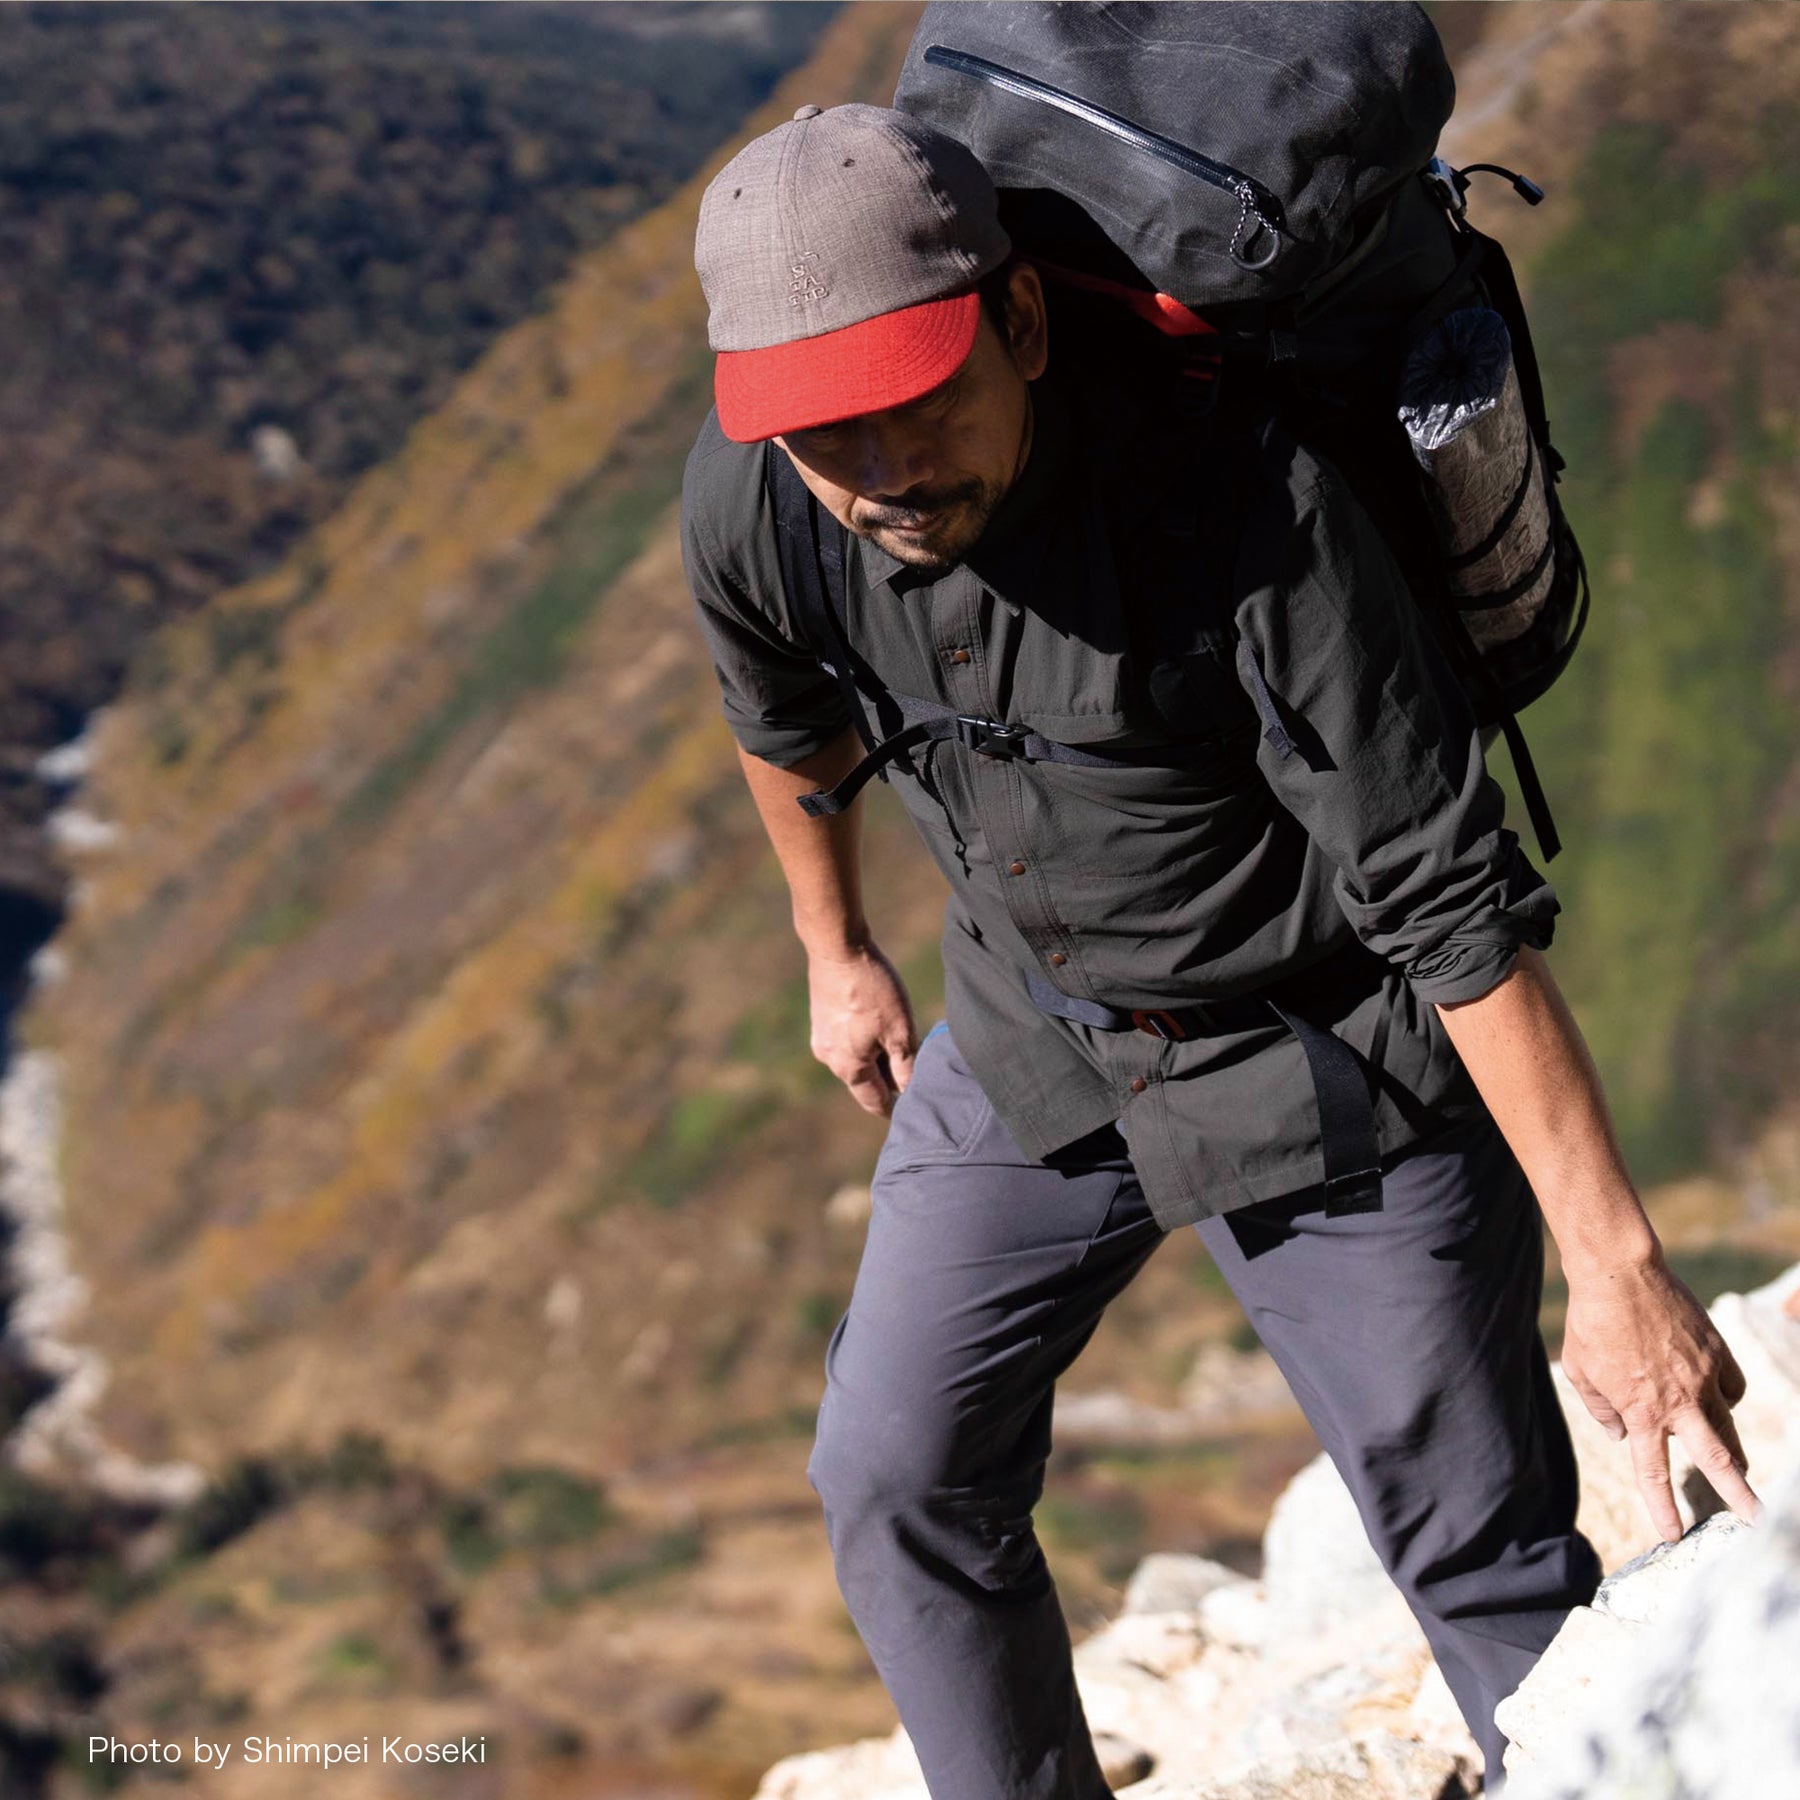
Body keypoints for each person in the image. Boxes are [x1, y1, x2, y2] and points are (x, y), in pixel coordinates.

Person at [680, 102, 1758, 1799]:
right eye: (830, 438)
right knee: (899, 1477)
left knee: (1475, 1553)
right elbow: (781, 712)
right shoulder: (764, 495)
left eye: (919, 405)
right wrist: (837, 949)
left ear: (1020, 323)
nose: (882, 475)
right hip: (1031, 1031)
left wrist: (1618, 1277)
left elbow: (1446, 899)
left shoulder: (1251, 509)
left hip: (1326, 1056)